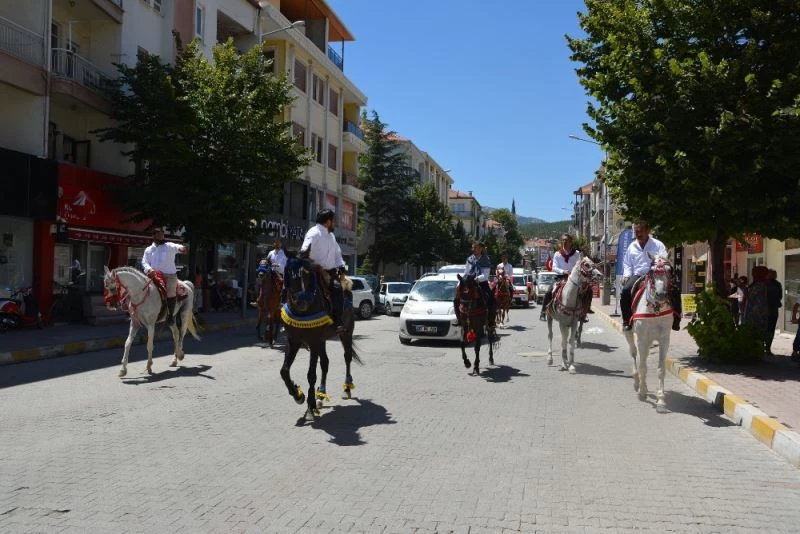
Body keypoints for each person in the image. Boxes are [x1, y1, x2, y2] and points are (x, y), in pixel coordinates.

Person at [620, 220, 681, 331]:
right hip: (638, 275)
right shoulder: (631, 246)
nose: (638, 234)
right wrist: (626, 275)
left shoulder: (658, 244)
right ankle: (626, 321)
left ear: (648, 231)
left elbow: (664, 259)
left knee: (675, 290)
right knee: (625, 291)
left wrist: (659, 265)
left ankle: (676, 319)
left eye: (641, 231)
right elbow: (627, 263)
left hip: (656, 274)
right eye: (636, 231)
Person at [299, 209, 347, 333]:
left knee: (337, 288)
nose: (335, 223)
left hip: (330, 273)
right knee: (295, 286)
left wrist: (341, 265)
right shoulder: (313, 233)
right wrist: (306, 256)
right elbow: (304, 250)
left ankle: (338, 321)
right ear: (327, 222)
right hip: (314, 271)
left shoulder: (331, 236)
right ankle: (290, 318)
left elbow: (337, 254)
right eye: (333, 221)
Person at [141, 228, 188, 325]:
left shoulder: (169, 246)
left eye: (162, 234)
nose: (161, 236)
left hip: (169, 276)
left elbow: (177, 247)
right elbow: (144, 262)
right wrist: (149, 269)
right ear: (153, 236)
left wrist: (182, 248)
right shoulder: (149, 249)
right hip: (154, 275)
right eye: (158, 234)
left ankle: (170, 316)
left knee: (170, 292)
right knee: (142, 289)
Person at [540, 234, 584, 321]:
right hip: (561, 277)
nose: (564, 242)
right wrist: (563, 271)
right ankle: (543, 312)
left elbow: (580, 265)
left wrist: (573, 272)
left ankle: (583, 313)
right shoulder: (557, 254)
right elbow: (554, 267)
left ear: (571, 242)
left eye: (566, 240)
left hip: (573, 279)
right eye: (563, 240)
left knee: (585, 292)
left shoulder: (577, 254)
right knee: (548, 292)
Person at [463, 240, 498, 337]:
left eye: (477, 248)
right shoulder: (469, 259)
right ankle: (459, 318)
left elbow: (485, 275)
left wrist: (476, 279)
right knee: (459, 295)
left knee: (491, 299)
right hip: (469, 282)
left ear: (482, 249)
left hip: (481, 282)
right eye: (474, 248)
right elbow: (466, 271)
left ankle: (491, 324)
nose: (475, 250)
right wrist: (465, 279)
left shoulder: (485, 260)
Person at [742, 265, 769, 350]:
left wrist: (742, 287)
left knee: (753, 332)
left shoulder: (759, 285)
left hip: (755, 313)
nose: (752, 274)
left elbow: (749, 296)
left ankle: (754, 350)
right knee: (759, 332)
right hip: (760, 311)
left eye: (753, 273)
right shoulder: (763, 284)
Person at [765, 269, 783, 355]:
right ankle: (768, 348)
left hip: (764, 309)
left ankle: (762, 346)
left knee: (764, 328)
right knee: (771, 329)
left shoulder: (764, 284)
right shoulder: (778, 284)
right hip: (773, 309)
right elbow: (780, 296)